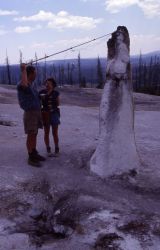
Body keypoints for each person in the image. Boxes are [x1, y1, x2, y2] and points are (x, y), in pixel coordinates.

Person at [17, 63, 46, 167]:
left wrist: (40, 98)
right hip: (30, 114)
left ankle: (34, 152)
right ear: (30, 74)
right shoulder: (22, 84)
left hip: (36, 113)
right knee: (31, 134)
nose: (36, 75)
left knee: (35, 133)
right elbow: (24, 85)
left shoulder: (32, 85)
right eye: (35, 73)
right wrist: (23, 70)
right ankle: (31, 157)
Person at [39, 78, 60, 156]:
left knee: (55, 132)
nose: (47, 85)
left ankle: (57, 148)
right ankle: (48, 148)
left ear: (53, 85)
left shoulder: (56, 93)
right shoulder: (41, 92)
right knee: (46, 132)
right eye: (46, 83)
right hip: (45, 114)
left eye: (49, 83)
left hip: (54, 113)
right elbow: (39, 102)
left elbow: (58, 104)